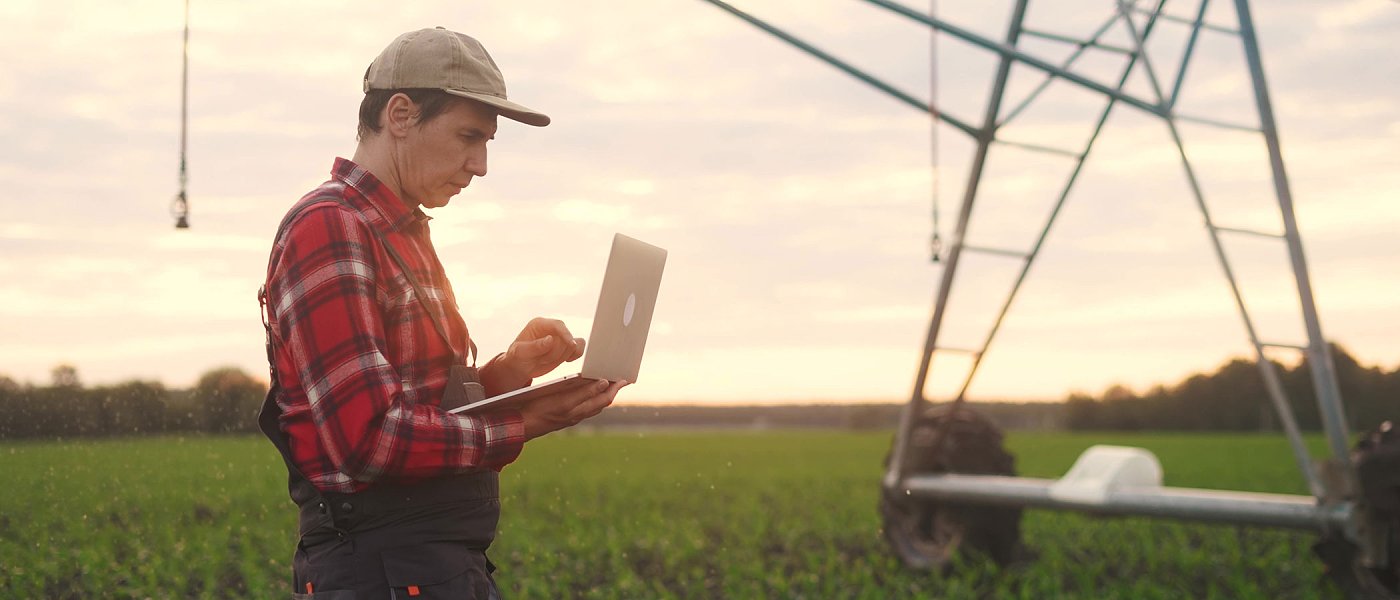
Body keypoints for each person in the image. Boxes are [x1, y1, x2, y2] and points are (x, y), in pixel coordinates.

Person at [257, 27, 627, 599]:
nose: (479, 165)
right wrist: (527, 421)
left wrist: (508, 375)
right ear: (400, 115)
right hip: (377, 568)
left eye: (487, 143)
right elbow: (370, 439)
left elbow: (418, 402)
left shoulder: (399, 230)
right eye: (468, 137)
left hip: (427, 566)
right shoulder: (329, 227)